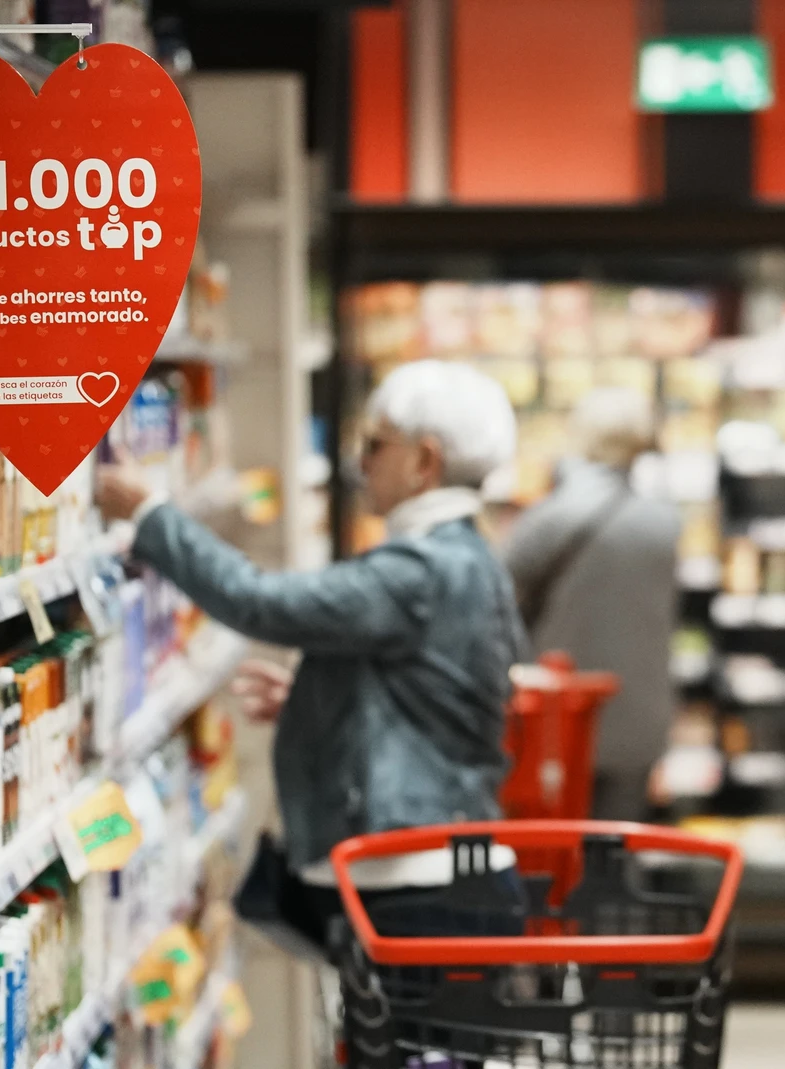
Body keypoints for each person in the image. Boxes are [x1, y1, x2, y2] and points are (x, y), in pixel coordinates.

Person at [94, 359, 526, 949]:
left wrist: (151, 515)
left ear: (425, 462)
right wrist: (320, 701)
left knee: (402, 1040)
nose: (361, 462)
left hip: (412, 878)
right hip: (435, 869)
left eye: (376, 445)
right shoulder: (466, 558)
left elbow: (261, 603)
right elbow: (427, 694)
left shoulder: (421, 571)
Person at [503, 388, 681, 822]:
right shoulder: (664, 523)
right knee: (617, 852)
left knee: (553, 856)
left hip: (559, 721)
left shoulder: (549, 519)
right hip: (639, 720)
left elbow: (499, 601)